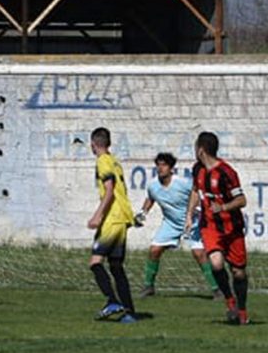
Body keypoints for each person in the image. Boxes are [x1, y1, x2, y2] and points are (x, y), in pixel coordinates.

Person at [184, 132, 249, 325]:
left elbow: (242, 200)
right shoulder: (197, 169)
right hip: (210, 226)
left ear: (201, 150)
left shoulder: (226, 172)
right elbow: (195, 191)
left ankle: (242, 309)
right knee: (216, 263)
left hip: (232, 228)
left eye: (196, 147)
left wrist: (223, 207)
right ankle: (230, 301)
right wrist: (189, 215)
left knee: (238, 272)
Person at [135, 153, 221, 299]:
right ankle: (148, 286)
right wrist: (143, 213)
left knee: (199, 253)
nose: (160, 168)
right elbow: (150, 198)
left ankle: (217, 289)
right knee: (154, 250)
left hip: (192, 222)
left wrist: (198, 210)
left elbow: (196, 193)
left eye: (164, 165)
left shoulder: (183, 183)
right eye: (158, 165)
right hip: (171, 223)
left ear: (171, 168)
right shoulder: (153, 185)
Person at [87, 127, 137, 323]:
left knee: (95, 262)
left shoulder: (102, 161)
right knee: (116, 267)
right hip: (122, 218)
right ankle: (130, 312)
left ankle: (112, 301)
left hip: (112, 219)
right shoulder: (115, 161)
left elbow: (109, 190)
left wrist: (97, 216)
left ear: (93, 144)